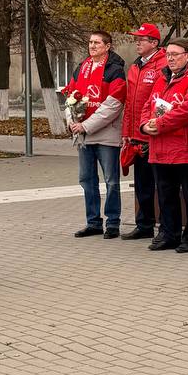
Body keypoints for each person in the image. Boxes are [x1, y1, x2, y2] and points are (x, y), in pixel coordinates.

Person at [142, 37, 188, 253]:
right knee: (165, 193)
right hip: (160, 146)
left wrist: (159, 124)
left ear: (187, 55)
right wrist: (144, 125)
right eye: (168, 54)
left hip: (185, 147)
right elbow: (147, 104)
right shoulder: (162, 78)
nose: (170, 58)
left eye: (175, 54)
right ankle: (169, 234)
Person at [65, 32, 126, 239]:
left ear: (107, 46)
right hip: (84, 135)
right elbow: (70, 98)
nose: (92, 45)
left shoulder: (115, 70)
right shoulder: (82, 67)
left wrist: (85, 126)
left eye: (97, 42)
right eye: (90, 42)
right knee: (87, 180)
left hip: (106, 135)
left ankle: (113, 223)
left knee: (111, 181)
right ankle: (93, 223)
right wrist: (72, 121)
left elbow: (114, 105)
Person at [121, 23, 168, 239]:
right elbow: (130, 103)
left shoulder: (163, 65)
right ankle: (144, 225)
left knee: (161, 183)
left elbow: (162, 101)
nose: (137, 43)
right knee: (142, 184)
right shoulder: (135, 67)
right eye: (136, 39)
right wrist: (126, 133)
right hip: (136, 136)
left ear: (155, 43)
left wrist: (154, 126)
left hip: (154, 134)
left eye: (142, 39)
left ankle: (165, 227)